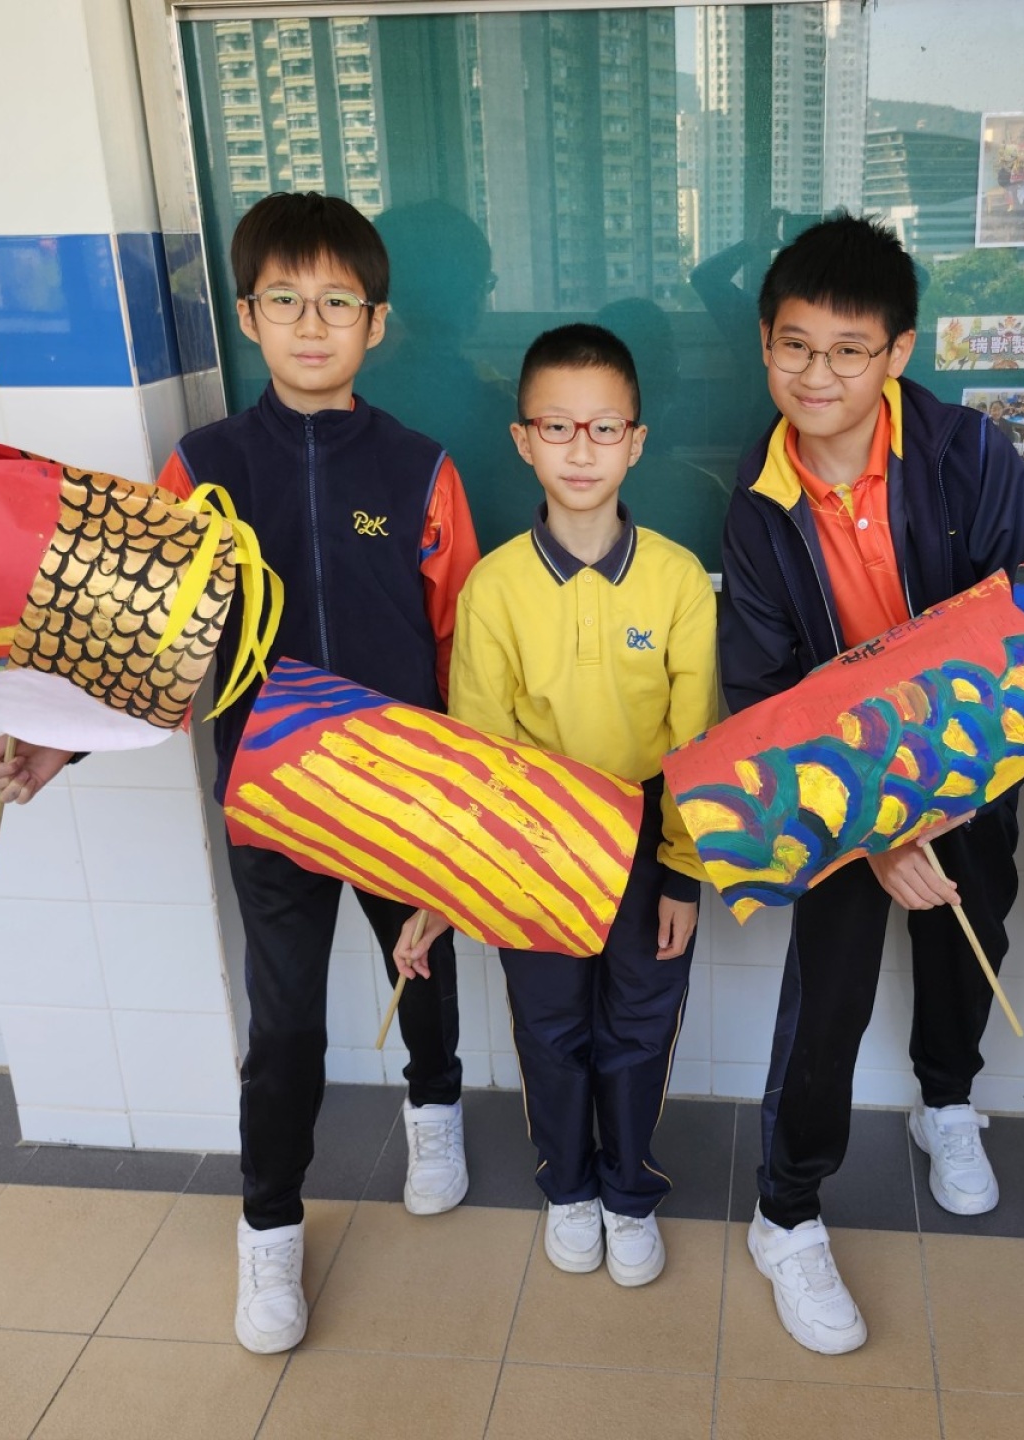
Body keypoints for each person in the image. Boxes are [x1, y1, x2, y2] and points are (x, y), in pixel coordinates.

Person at [0, 191, 482, 1356]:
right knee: (285, 1021)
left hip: (403, 790)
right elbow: (147, 641)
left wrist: (462, 800)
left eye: (338, 303)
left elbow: (456, 637)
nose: (312, 324)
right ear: (248, 317)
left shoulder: (422, 467)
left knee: (423, 965)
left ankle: (436, 1105)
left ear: (377, 323)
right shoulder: (202, 465)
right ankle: (269, 1229)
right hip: (271, 795)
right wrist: (57, 740)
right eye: (285, 300)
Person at [718, 214, 1024, 1354]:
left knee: (970, 939)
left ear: (899, 353)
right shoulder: (756, 503)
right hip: (838, 789)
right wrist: (874, 831)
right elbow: (765, 693)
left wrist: (942, 801)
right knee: (829, 990)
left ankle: (946, 1102)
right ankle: (786, 1210)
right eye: (795, 346)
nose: (818, 375)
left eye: (849, 351)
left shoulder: (969, 454)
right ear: (766, 343)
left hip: (972, 764)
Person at [399, 323, 716, 1288]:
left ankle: (628, 1191)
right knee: (550, 1028)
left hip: (647, 845)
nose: (582, 449)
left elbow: (696, 741)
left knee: (639, 1027)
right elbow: (477, 752)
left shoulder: (676, 579)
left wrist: (683, 872)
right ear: (523, 440)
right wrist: (451, 887)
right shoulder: (494, 587)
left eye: (604, 427)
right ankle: (569, 1187)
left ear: (637, 441)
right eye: (558, 426)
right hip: (529, 847)